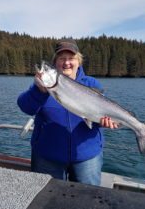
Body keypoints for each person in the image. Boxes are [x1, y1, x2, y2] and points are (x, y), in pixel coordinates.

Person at [17, 39, 118, 186]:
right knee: (46, 199)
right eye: (62, 58)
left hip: (87, 157)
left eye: (71, 58)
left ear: (79, 61)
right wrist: (38, 91)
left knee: (87, 199)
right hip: (47, 156)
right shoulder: (42, 86)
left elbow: (101, 114)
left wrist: (104, 122)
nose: (67, 63)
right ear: (55, 62)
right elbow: (25, 107)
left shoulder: (92, 84)